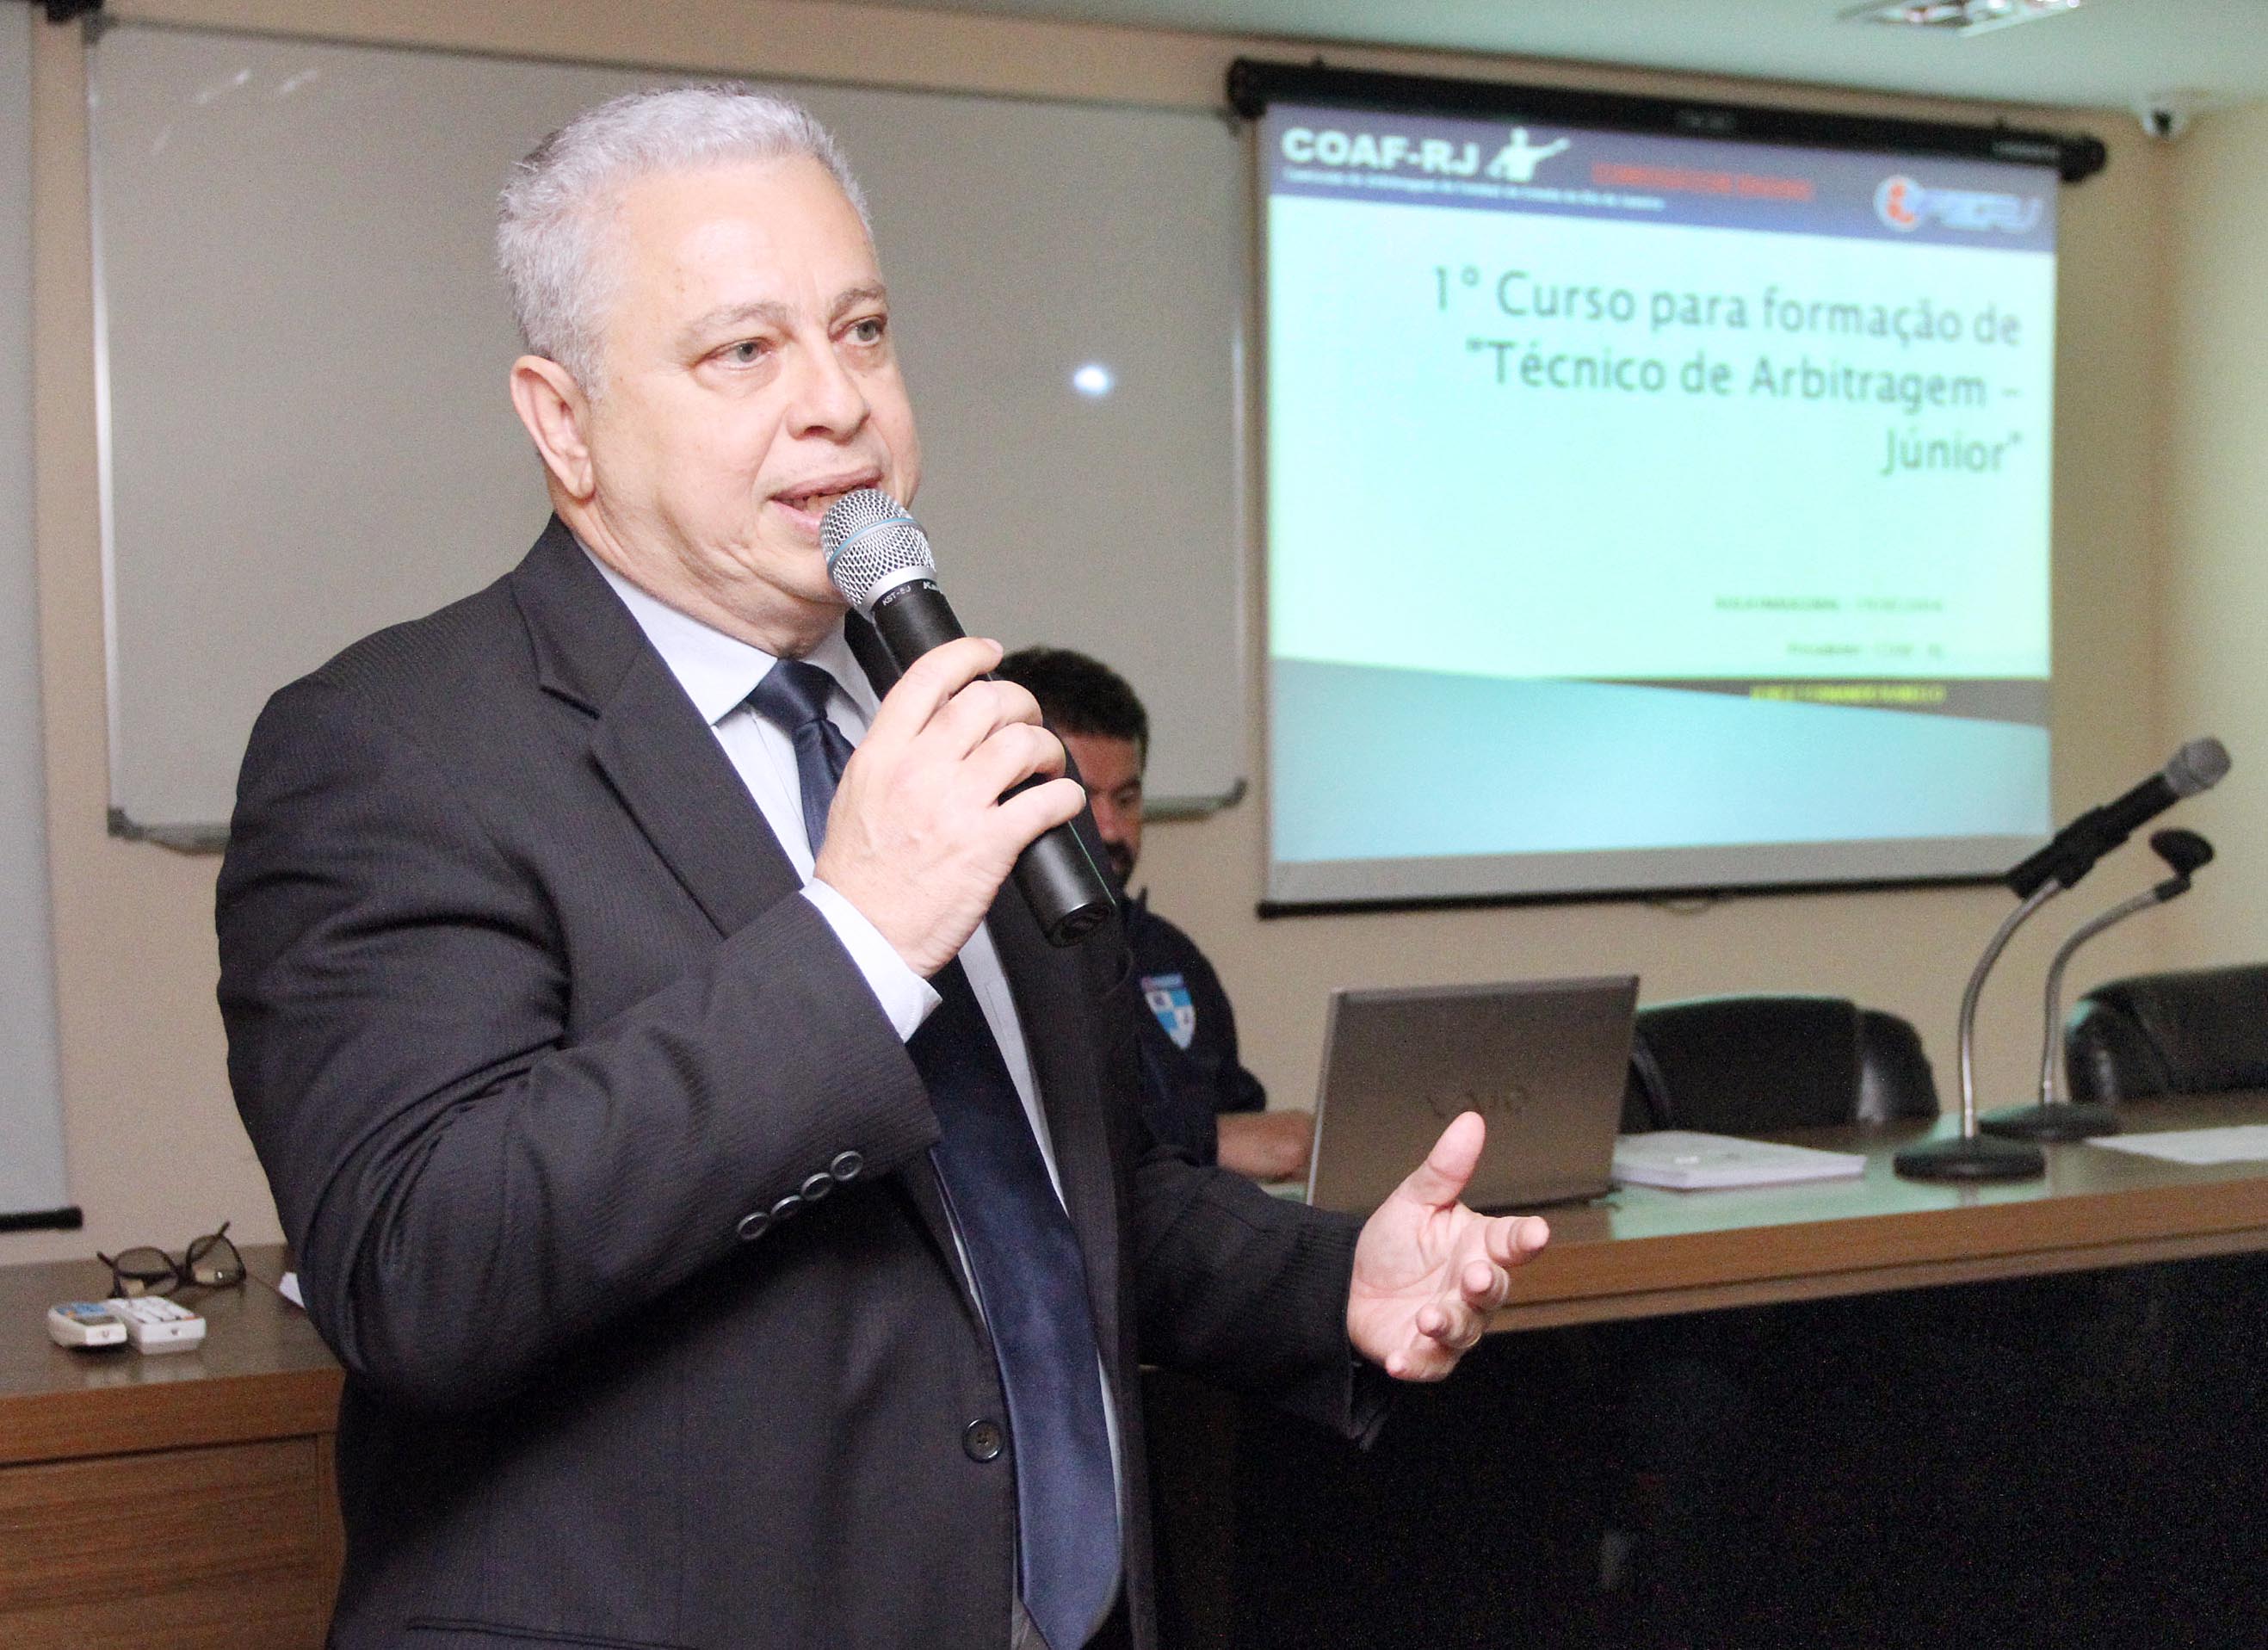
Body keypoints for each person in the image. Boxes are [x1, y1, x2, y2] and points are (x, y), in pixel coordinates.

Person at [215, 85, 1548, 1650]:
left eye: (861, 332)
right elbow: (420, 1269)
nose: (838, 404)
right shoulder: (396, 745)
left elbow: (1075, 1201)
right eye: (744, 351)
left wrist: (1337, 1284)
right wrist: (856, 939)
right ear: (561, 419)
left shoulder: (946, 723)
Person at [996, 646, 1312, 1183]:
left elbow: (1245, 1118)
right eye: (1084, 796)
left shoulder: (1169, 953)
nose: (1114, 830)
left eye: (1126, 798)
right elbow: (1028, 1152)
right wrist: (1214, 1142)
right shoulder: (979, 961)